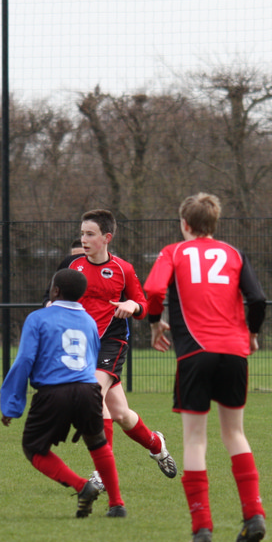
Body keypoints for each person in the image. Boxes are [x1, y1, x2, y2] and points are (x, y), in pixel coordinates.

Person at [144, 193, 268, 542]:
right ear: (215, 223)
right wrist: (252, 334)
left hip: (195, 354)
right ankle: (253, 515)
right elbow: (258, 299)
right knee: (235, 434)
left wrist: (155, 324)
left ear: (184, 224)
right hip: (234, 353)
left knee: (195, 440)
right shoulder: (234, 254)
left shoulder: (174, 252)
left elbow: (153, 289)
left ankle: (202, 529)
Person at [51, 209, 176, 489]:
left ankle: (102, 473)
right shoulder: (70, 266)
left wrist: (132, 305)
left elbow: (142, 304)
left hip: (112, 342)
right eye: (82, 233)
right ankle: (156, 444)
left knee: (94, 396)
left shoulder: (123, 269)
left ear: (107, 238)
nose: (84, 239)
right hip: (81, 345)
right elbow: (50, 299)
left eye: (90, 234)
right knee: (120, 414)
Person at [0, 269, 126, 518]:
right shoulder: (89, 321)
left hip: (53, 392)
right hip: (88, 390)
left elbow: (24, 360)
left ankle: (82, 486)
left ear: (55, 291)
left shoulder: (38, 318)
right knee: (98, 444)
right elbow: (92, 357)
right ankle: (117, 504)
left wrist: (12, 404)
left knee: (33, 448)